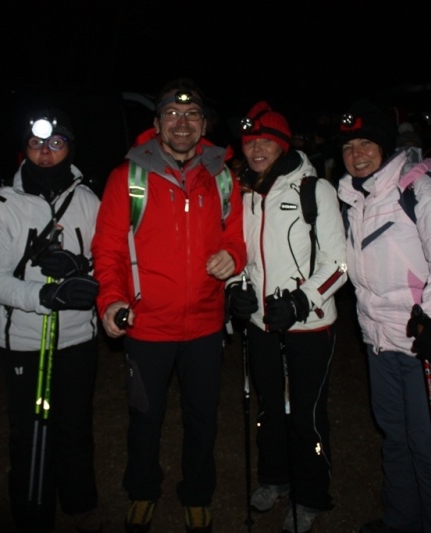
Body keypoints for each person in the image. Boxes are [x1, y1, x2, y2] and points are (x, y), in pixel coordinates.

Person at [91, 79, 246, 533]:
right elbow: (108, 249)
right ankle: (142, 490)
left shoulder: (222, 177)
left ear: (204, 125)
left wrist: (233, 256)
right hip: (147, 325)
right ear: (157, 124)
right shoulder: (128, 177)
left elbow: (236, 236)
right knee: (144, 417)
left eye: (192, 115)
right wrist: (111, 300)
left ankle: (197, 494)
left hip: (205, 325)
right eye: (173, 115)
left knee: (203, 418)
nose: (182, 123)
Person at [336, 101, 431, 533]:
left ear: (385, 146)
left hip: (425, 340)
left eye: (367, 143)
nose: (357, 154)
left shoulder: (419, 188)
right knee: (395, 435)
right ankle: (401, 520)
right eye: (349, 147)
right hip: (380, 340)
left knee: (428, 445)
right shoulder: (353, 199)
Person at [226, 101, 348, 533]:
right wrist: (235, 288)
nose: (257, 148)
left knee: (305, 415)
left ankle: (311, 494)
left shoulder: (315, 190)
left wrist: (301, 301)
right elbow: (238, 254)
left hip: (308, 326)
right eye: (250, 142)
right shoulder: (245, 193)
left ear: (283, 144)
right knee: (269, 409)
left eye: (266, 141)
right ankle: (274, 478)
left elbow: (338, 262)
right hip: (261, 324)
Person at [0, 109, 102, 532]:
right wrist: (44, 295)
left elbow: (107, 261)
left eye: (55, 143)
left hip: (77, 337)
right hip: (25, 340)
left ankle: (80, 504)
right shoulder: (1, 203)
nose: (46, 153)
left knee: (75, 425)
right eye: (36, 144)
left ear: (69, 148)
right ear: (24, 149)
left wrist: (80, 268)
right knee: (31, 429)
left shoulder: (88, 200)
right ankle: (33, 513)